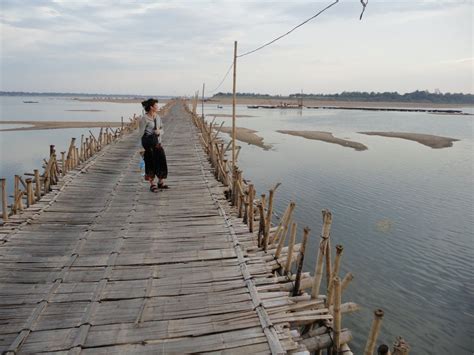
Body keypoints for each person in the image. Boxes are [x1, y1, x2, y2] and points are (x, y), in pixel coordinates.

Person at [139, 98, 168, 192]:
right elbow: (140, 134)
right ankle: (152, 184)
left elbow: (162, 129)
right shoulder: (144, 118)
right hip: (148, 145)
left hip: (158, 143)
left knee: (161, 161)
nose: (157, 107)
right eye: (156, 105)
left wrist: (159, 131)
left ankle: (160, 182)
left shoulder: (158, 117)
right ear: (151, 107)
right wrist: (141, 148)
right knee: (150, 163)